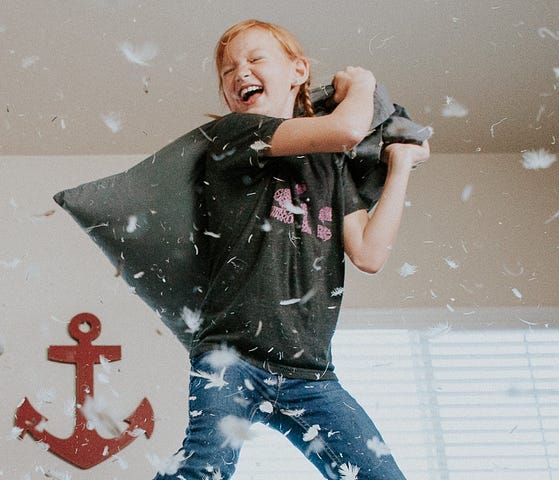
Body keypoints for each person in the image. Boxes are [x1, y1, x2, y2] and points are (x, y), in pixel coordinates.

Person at [152, 20, 429, 480]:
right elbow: (346, 128)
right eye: (228, 70)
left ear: (298, 70)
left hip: (311, 373)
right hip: (232, 357)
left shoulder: (330, 166)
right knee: (203, 469)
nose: (240, 72)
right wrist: (362, 83)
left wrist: (399, 164)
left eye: (256, 59)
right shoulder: (237, 135)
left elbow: (369, 253)